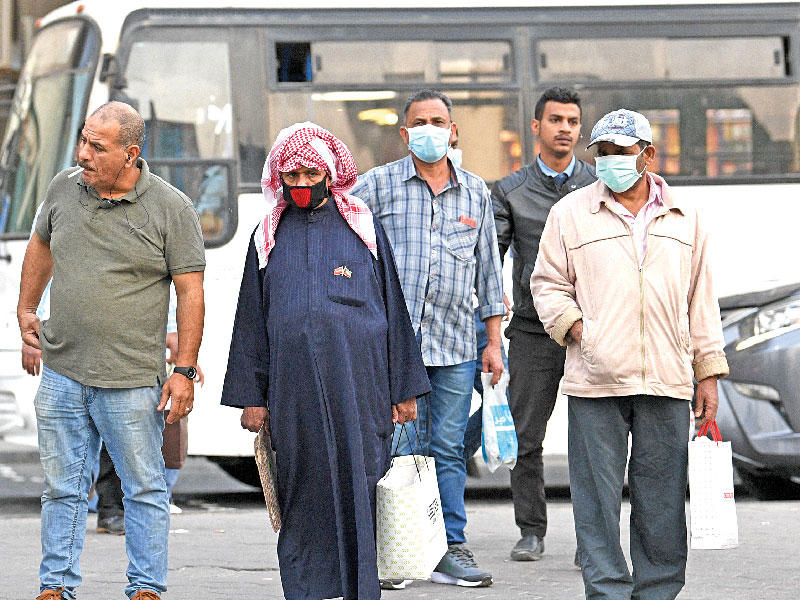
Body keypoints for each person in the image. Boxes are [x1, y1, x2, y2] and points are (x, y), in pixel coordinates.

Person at [220, 122, 429, 600]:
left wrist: (405, 390)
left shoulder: (363, 227)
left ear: (329, 173)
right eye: (290, 176)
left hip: (362, 386)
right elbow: (251, 319)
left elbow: (394, 308)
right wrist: (251, 397)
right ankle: (307, 590)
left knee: (361, 486)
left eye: (309, 174)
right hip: (292, 392)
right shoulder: (266, 235)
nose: (299, 185)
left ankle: (361, 590)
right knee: (302, 492)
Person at [531, 108, 729, 599]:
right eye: (603, 154)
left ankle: (658, 590)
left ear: (647, 155)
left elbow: (701, 300)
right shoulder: (570, 213)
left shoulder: (686, 218)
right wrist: (580, 330)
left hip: (666, 377)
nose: (611, 162)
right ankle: (607, 592)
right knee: (596, 502)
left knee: (661, 498)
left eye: (621, 152)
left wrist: (708, 373)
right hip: (595, 378)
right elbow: (547, 284)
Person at [17, 101, 206, 600]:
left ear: (130, 153)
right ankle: (55, 586)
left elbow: (191, 291)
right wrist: (26, 310)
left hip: (130, 380)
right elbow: (41, 246)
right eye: (83, 141)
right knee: (61, 489)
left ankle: (145, 588)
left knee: (144, 489)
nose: (83, 153)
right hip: (63, 372)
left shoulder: (172, 208)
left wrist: (183, 370)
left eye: (96, 147)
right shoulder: (63, 188)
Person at [353, 89, 505, 588]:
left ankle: (448, 549)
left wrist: (493, 341)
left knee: (447, 448)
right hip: (391, 349)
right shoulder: (376, 187)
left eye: (438, 121)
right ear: (404, 132)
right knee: (395, 446)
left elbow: (488, 274)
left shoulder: (476, 193)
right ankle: (395, 550)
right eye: (420, 121)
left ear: (452, 130)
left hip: (457, 346)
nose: (430, 129)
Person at [491, 87, 596, 561]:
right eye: (556, 120)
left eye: (573, 121)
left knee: (594, 440)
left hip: (592, 332)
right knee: (526, 434)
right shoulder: (511, 190)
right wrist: (491, 316)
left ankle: (590, 540)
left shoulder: (600, 184)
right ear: (536, 127)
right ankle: (531, 530)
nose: (565, 129)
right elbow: (486, 260)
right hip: (534, 330)